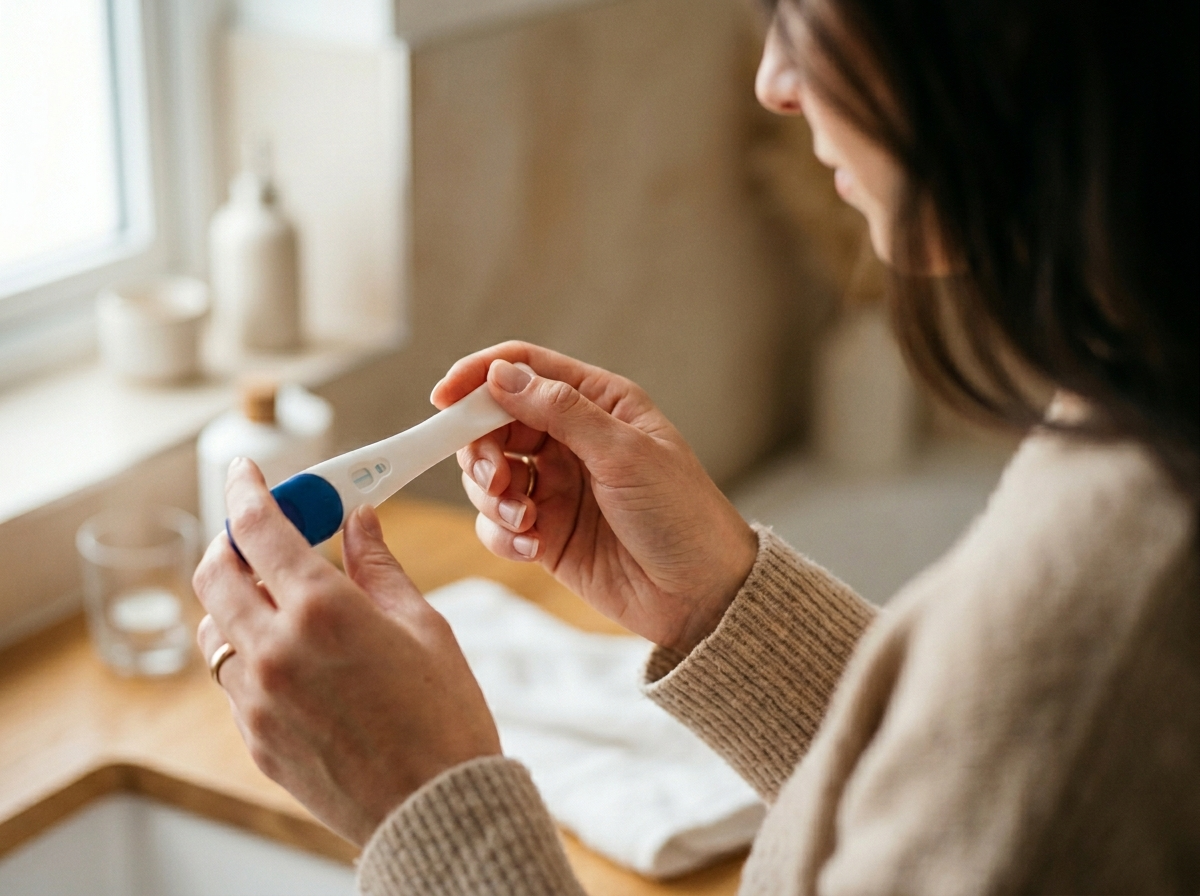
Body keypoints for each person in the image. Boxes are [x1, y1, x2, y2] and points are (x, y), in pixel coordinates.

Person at [193, 0, 1199, 892]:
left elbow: (1032, 765)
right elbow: (970, 799)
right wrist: (723, 603)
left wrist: (425, 805)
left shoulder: (1123, 581)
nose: (774, 81)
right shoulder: (1142, 413)